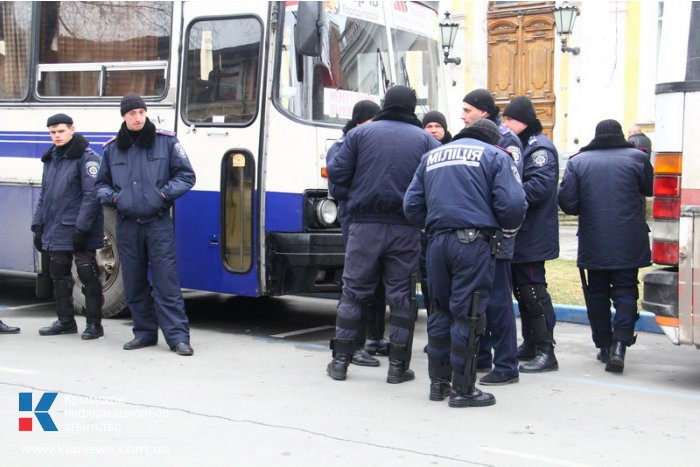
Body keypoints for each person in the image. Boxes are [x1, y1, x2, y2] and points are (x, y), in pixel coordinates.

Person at [404, 118, 527, 407]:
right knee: (468, 314)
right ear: (492, 138)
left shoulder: (431, 156)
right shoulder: (496, 155)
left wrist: (436, 224)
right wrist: (504, 230)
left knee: (439, 311)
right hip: (472, 243)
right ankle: (463, 389)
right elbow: (512, 204)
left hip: (436, 242)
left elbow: (411, 206)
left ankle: (438, 384)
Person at [326, 85, 440, 383]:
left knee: (353, 292)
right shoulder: (427, 141)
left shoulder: (359, 135)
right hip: (406, 228)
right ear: (412, 107)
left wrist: (358, 192)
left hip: (364, 225)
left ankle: (340, 361)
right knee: (401, 297)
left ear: (385, 105)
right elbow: (435, 183)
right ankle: (398, 367)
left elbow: (337, 174)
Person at [95, 94, 196, 356]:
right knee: (134, 283)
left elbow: (186, 176)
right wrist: (115, 198)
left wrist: (163, 195)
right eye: (132, 114)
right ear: (124, 117)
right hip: (127, 225)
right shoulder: (112, 148)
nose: (138, 117)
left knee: (166, 283)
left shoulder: (166, 142)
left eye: (141, 112)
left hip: (157, 223)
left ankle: (177, 338)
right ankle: (144, 333)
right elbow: (100, 185)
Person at [559, 119, 653, 373]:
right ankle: (620, 343)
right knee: (626, 289)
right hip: (629, 239)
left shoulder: (578, 161)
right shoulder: (638, 158)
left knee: (597, 292)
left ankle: (603, 345)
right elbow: (649, 188)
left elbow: (568, 204)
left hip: (594, 239)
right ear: (622, 135)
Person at [462, 89, 524, 385]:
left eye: (468, 110)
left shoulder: (505, 142)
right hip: (479, 236)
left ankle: (506, 364)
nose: (463, 116)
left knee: (498, 301)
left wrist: (504, 233)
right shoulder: (477, 141)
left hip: (496, 235)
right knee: (481, 300)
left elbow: (512, 193)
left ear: (483, 112)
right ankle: (483, 354)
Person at [31, 113, 105, 340]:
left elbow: (91, 196)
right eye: (52, 132)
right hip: (56, 227)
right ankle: (65, 321)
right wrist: (37, 225)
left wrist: (81, 230)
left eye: (61, 131)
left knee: (88, 273)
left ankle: (94, 325)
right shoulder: (51, 158)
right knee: (58, 274)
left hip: (79, 228)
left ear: (72, 129)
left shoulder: (87, 158)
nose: (56, 136)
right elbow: (45, 194)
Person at [502, 96, 560, 373]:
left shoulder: (540, 149)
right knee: (522, 290)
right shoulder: (522, 145)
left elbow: (538, 188)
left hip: (533, 233)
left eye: (509, 119)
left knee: (534, 290)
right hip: (521, 233)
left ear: (523, 121)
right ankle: (531, 342)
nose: (505, 124)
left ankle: (546, 350)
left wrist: (504, 195)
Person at [326, 100, 386, 366]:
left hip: (373, 220)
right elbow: (337, 187)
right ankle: (353, 346)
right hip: (355, 218)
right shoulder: (342, 146)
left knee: (379, 280)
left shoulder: (373, 142)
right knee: (357, 284)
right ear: (364, 121)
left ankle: (374, 337)